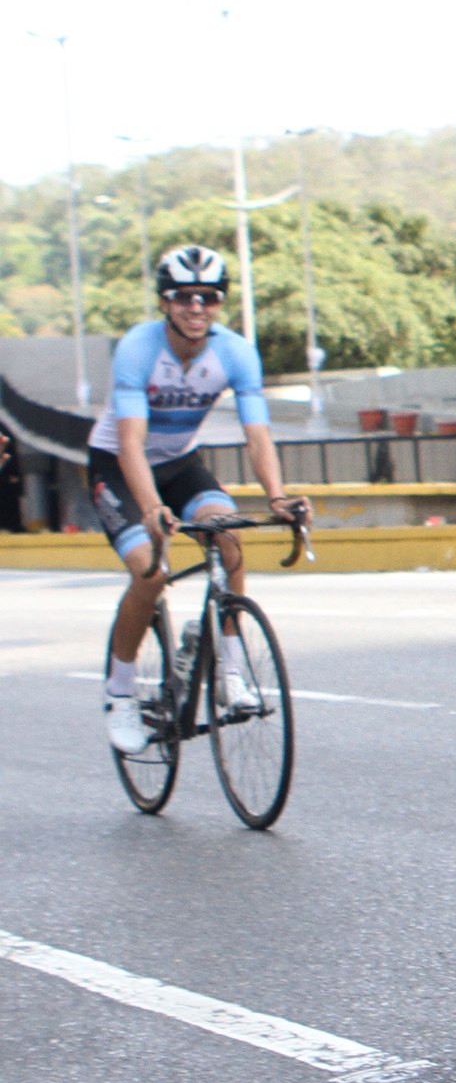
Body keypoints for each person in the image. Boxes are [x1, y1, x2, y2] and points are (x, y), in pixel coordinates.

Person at [90, 246, 308, 754]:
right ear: (165, 302)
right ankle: (120, 693)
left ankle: (230, 672)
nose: (196, 307)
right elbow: (129, 444)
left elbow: (257, 435)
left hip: (181, 464)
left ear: (219, 303)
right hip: (118, 467)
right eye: (183, 296)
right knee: (151, 573)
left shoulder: (234, 352)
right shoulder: (139, 348)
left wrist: (277, 498)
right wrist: (150, 508)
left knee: (228, 538)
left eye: (208, 298)